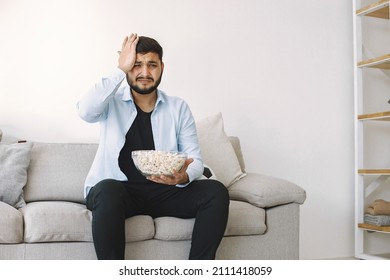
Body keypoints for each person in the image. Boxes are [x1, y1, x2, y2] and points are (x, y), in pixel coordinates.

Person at [77, 33, 229, 260]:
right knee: (108, 189)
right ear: (127, 66)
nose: (145, 73)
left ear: (162, 68)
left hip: (163, 191)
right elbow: (85, 111)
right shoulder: (111, 101)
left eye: (152, 65)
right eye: (137, 65)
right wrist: (119, 69)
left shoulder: (178, 108)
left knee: (216, 191)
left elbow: (195, 159)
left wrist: (183, 177)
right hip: (120, 193)